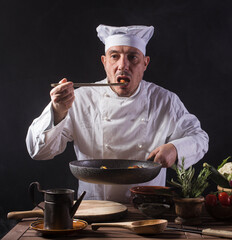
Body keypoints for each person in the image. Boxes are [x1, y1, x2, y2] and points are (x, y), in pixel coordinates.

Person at [26, 24, 209, 203]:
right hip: (95, 208)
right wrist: (57, 110)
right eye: (115, 56)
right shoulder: (80, 99)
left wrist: (176, 149)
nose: (123, 65)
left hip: (148, 208)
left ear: (145, 63)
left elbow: (199, 138)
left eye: (132, 57)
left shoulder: (165, 100)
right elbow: (38, 151)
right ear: (105, 62)